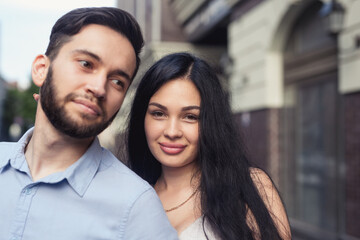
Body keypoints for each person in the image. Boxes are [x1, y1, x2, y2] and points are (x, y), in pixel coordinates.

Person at [0, 7, 178, 240]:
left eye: (117, 81)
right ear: (41, 69)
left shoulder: (136, 208)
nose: (99, 87)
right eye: (86, 64)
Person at [127, 52, 292, 239]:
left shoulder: (250, 186)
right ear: (142, 117)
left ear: (210, 123)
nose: (172, 131)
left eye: (190, 117)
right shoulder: (132, 197)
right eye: (158, 113)